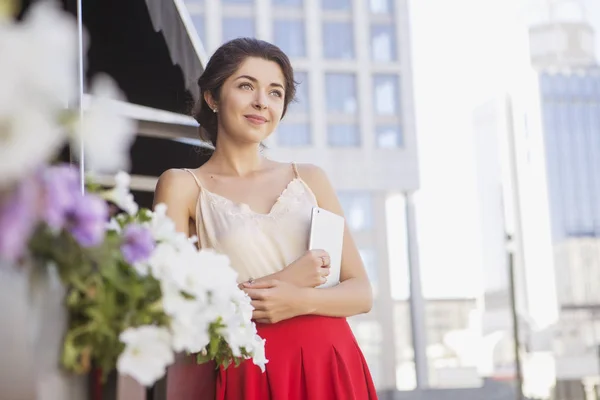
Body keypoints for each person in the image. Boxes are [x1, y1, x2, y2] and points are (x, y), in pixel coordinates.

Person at [154, 37, 376, 400]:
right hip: (250, 372)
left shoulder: (310, 179)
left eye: (275, 92)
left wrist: (298, 299)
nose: (262, 102)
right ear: (212, 97)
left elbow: (361, 293)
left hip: (331, 365)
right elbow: (177, 314)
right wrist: (286, 279)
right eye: (246, 86)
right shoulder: (181, 186)